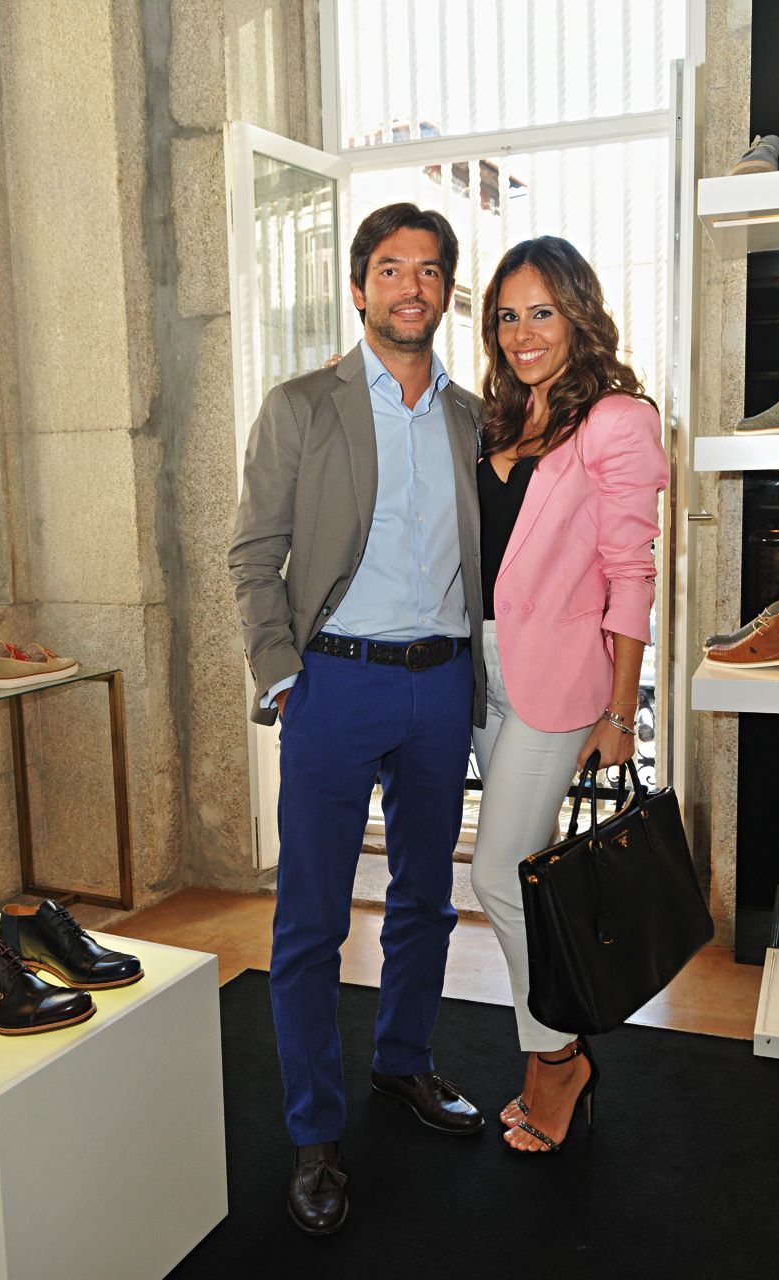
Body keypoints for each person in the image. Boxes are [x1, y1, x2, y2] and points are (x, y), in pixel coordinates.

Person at [228, 203, 487, 1236]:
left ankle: (403, 1061)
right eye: (389, 268)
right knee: (311, 922)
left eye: (427, 270)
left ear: (446, 290)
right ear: (358, 287)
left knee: (427, 897)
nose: (409, 286)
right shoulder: (301, 406)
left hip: (440, 685)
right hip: (333, 685)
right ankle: (314, 1131)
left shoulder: (472, 418)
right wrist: (282, 675)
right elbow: (254, 553)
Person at [470, 235, 669, 1153]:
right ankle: (546, 1053)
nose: (522, 334)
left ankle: (558, 1058)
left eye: (541, 313)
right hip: (483, 673)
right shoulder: (500, 417)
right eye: (507, 316)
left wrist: (620, 713)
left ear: (578, 313)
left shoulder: (617, 420)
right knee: (531, 874)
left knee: (497, 873)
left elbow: (632, 574)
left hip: (558, 682)